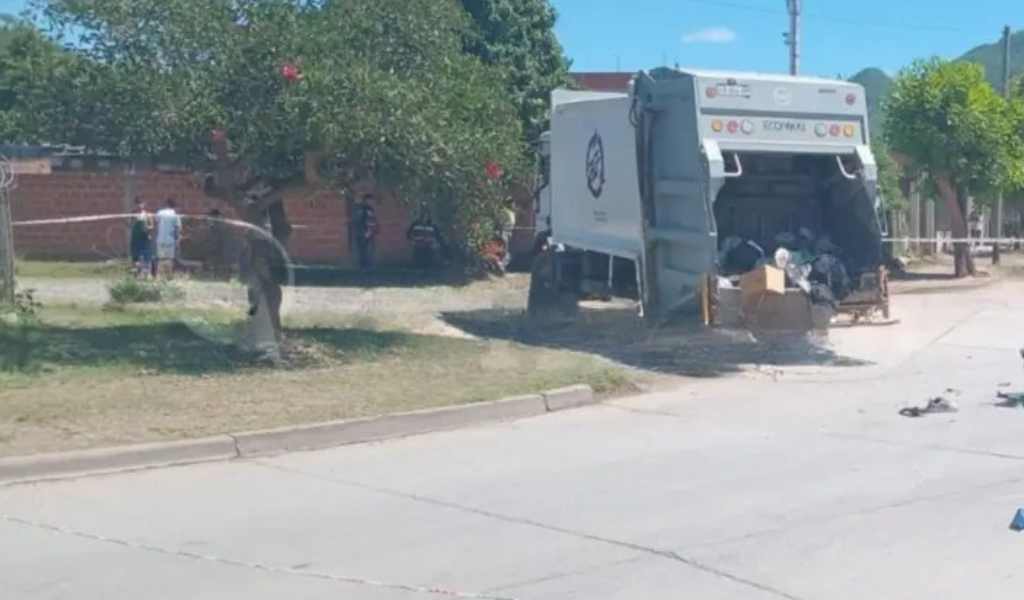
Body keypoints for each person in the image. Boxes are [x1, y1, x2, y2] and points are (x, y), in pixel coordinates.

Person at [155, 198, 183, 278]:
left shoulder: (159, 213)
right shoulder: (175, 215)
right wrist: (178, 239)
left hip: (160, 239)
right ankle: (168, 276)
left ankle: (159, 276)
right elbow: (178, 228)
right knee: (169, 259)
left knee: (161, 259)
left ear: (166, 204)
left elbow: (156, 223)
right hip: (170, 240)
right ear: (173, 206)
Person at [129, 198, 154, 278]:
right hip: (135, 239)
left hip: (145, 238)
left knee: (146, 257)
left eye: (141, 203)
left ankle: (147, 274)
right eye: (137, 203)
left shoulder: (148, 214)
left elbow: (152, 226)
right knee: (135, 257)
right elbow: (130, 225)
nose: (139, 205)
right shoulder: (133, 214)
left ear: (144, 204)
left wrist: (147, 228)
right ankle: (136, 274)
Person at [352, 194, 379, 270]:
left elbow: (372, 220)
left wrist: (374, 229)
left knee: (367, 250)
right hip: (363, 233)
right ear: (366, 200)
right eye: (370, 200)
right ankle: (363, 266)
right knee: (363, 250)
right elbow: (360, 221)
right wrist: (366, 232)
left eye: (372, 200)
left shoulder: (370, 209)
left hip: (368, 233)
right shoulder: (363, 209)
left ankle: (367, 265)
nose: (371, 202)